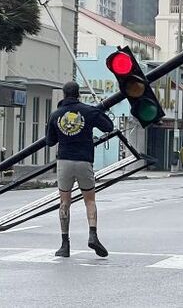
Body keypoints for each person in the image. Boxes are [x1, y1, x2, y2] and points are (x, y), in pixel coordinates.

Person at [45, 81, 114, 258]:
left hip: (64, 161)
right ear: (78, 94)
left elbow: (50, 141)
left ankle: (64, 244)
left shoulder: (56, 115)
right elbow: (108, 126)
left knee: (64, 202)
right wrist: (99, 110)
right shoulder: (89, 111)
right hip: (84, 160)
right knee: (89, 200)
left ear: (63, 94)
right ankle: (93, 235)